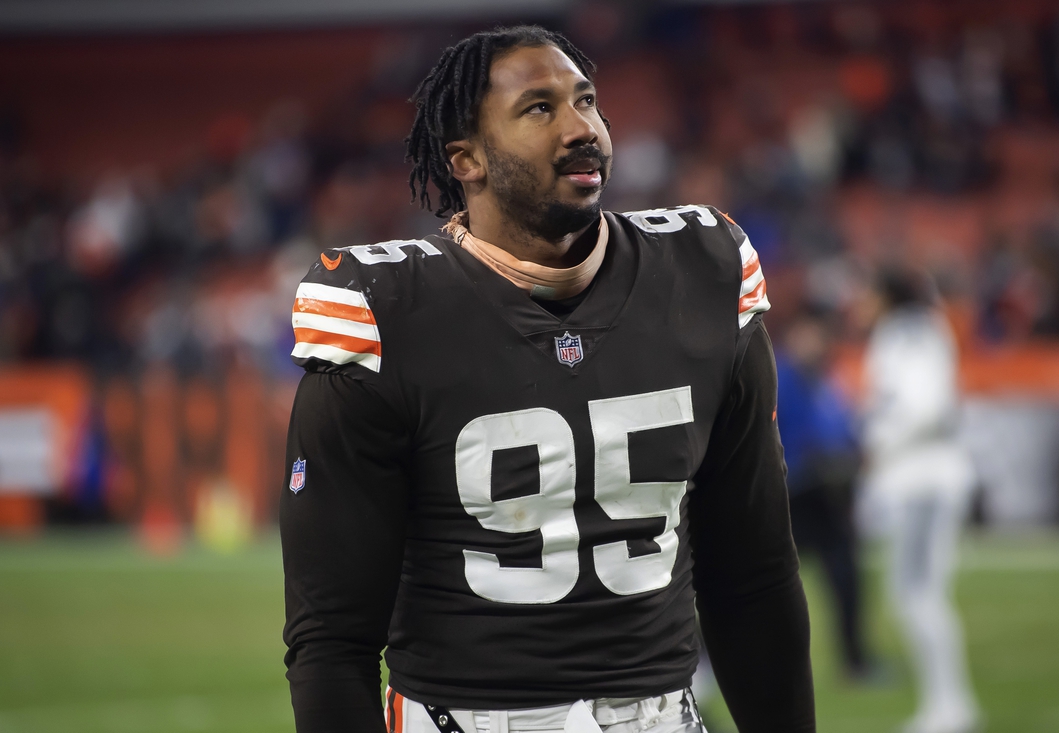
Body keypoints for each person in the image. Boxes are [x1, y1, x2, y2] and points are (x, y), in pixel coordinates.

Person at [280, 25, 814, 733]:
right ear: (465, 158)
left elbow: (754, 578)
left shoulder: (703, 270)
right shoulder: (386, 311)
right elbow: (332, 640)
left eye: (587, 101)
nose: (582, 127)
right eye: (539, 108)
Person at [859, 269, 980, 733]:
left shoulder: (905, 332)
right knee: (921, 594)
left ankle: (950, 708)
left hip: (923, 478)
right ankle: (951, 704)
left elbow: (925, 405)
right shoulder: (923, 328)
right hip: (928, 475)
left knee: (917, 594)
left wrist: (880, 443)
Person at [775, 309, 869, 680]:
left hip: (828, 494)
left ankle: (854, 658)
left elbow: (843, 429)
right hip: (792, 494)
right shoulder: (779, 374)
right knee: (774, 587)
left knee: (847, 579)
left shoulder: (827, 377)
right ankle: (771, 662)